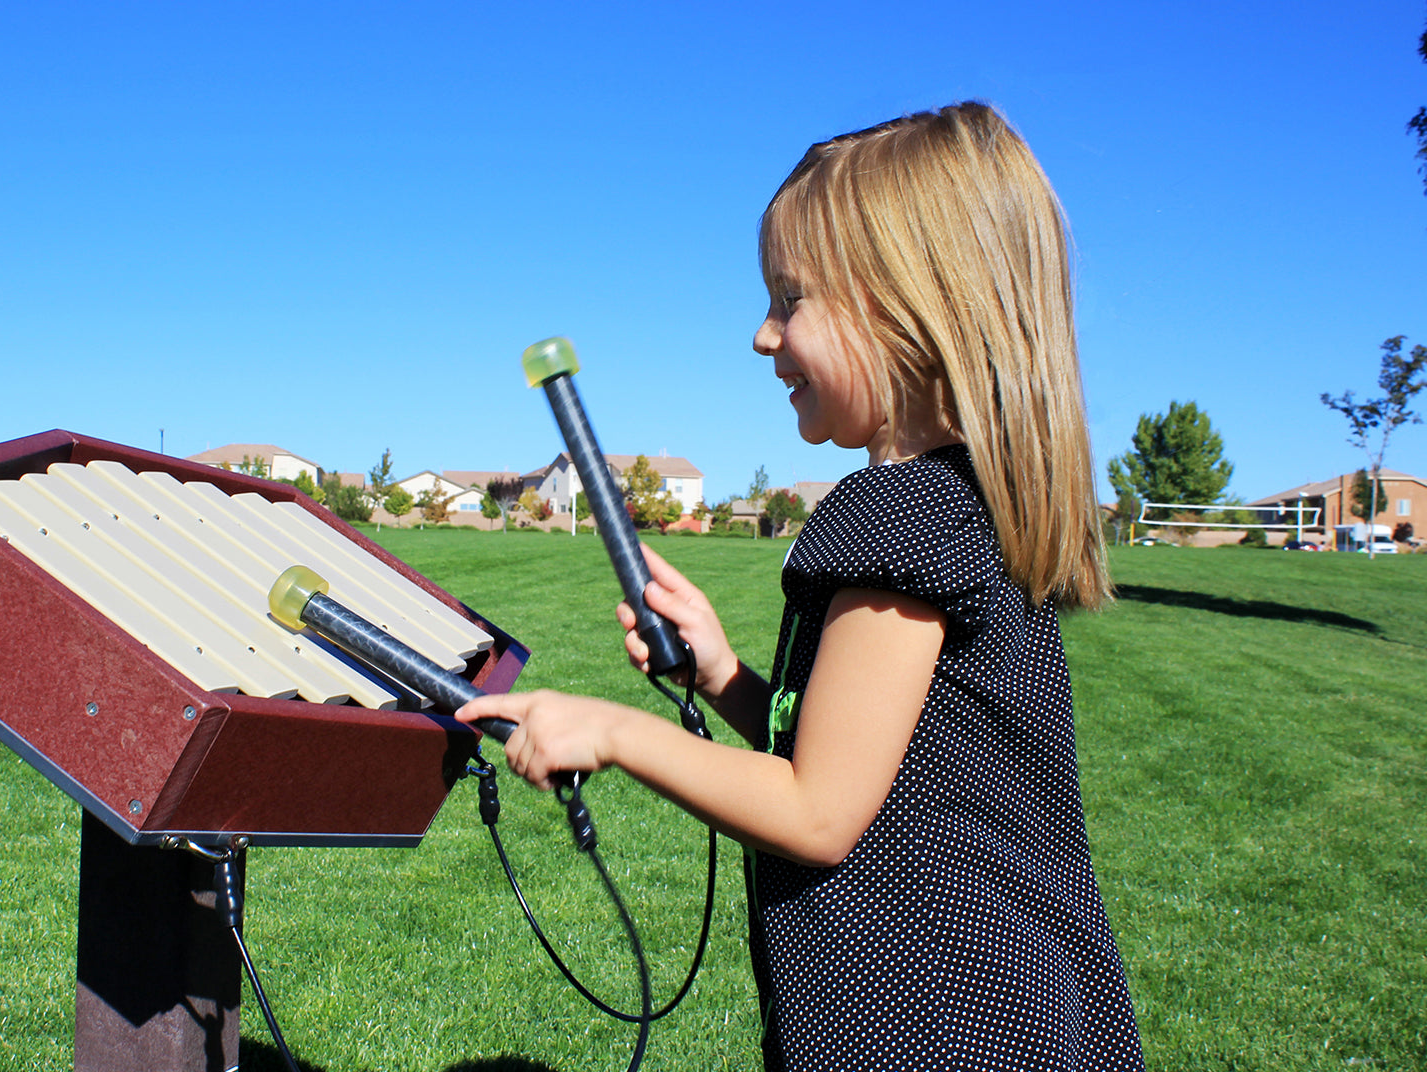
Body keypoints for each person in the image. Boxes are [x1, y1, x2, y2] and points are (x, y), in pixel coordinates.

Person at [458, 101, 1144, 1071]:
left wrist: (614, 729)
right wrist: (725, 676)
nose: (761, 334)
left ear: (909, 303)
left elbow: (819, 811)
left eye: (790, 298)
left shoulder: (897, 520)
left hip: (931, 1024)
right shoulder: (960, 507)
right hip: (1010, 1006)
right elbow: (872, 761)